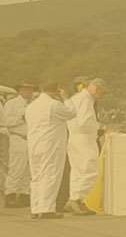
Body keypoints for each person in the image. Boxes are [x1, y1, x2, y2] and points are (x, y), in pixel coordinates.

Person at [24, 84, 68, 219]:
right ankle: (47, 208)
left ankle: (35, 207)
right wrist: (65, 97)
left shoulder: (30, 106)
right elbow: (72, 112)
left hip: (34, 144)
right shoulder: (54, 104)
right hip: (50, 144)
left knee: (36, 176)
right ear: (55, 92)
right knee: (51, 175)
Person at [63, 79, 103, 214]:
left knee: (77, 170)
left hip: (74, 137)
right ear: (96, 89)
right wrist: (100, 127)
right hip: (84, 137)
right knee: (90, 169)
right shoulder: (86, 100)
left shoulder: (76, 98)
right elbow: (84, 122)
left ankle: (75, 200)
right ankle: (76, 199)